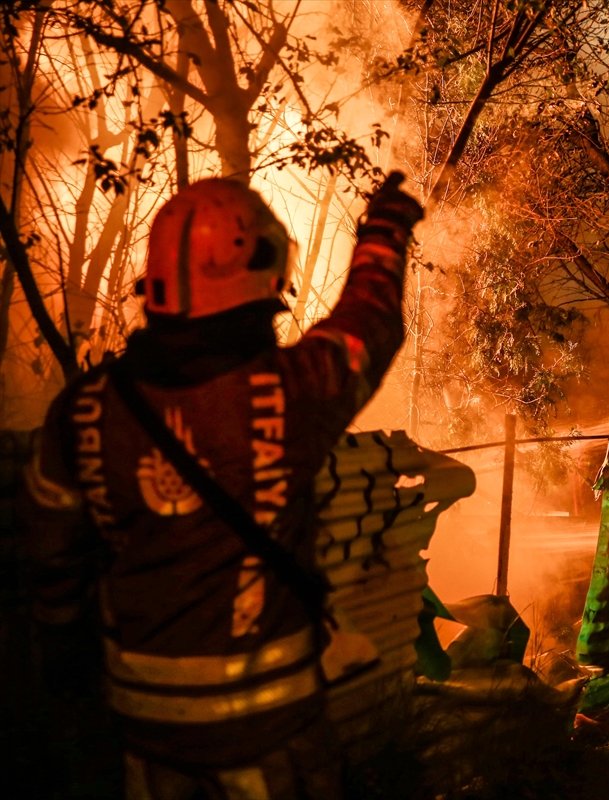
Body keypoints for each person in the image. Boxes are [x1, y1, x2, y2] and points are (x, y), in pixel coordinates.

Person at [20, 173, 424, 798]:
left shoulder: (81, 411)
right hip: (272, 742)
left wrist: (67, 672)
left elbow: (52, 566)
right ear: (255, 283)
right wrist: (383, 233)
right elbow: (369, 324)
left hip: (141, 740)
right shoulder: (293, 391)